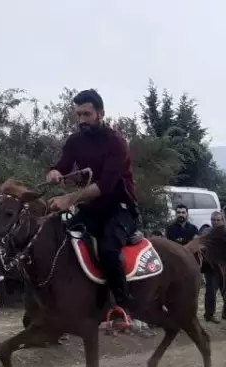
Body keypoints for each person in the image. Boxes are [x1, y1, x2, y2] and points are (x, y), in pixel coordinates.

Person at [44, 89, 139, 327]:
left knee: (108, 250)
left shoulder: (116, 142)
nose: (82, 120)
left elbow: (105, 186)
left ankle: (123, 307)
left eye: (87, 114)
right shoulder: (75, 141)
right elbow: (62, 166)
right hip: (92, 210)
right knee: (60, 241)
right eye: (78, 115)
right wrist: (54, 172)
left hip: (120, 209)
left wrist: (68, 200)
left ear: (100, 113)